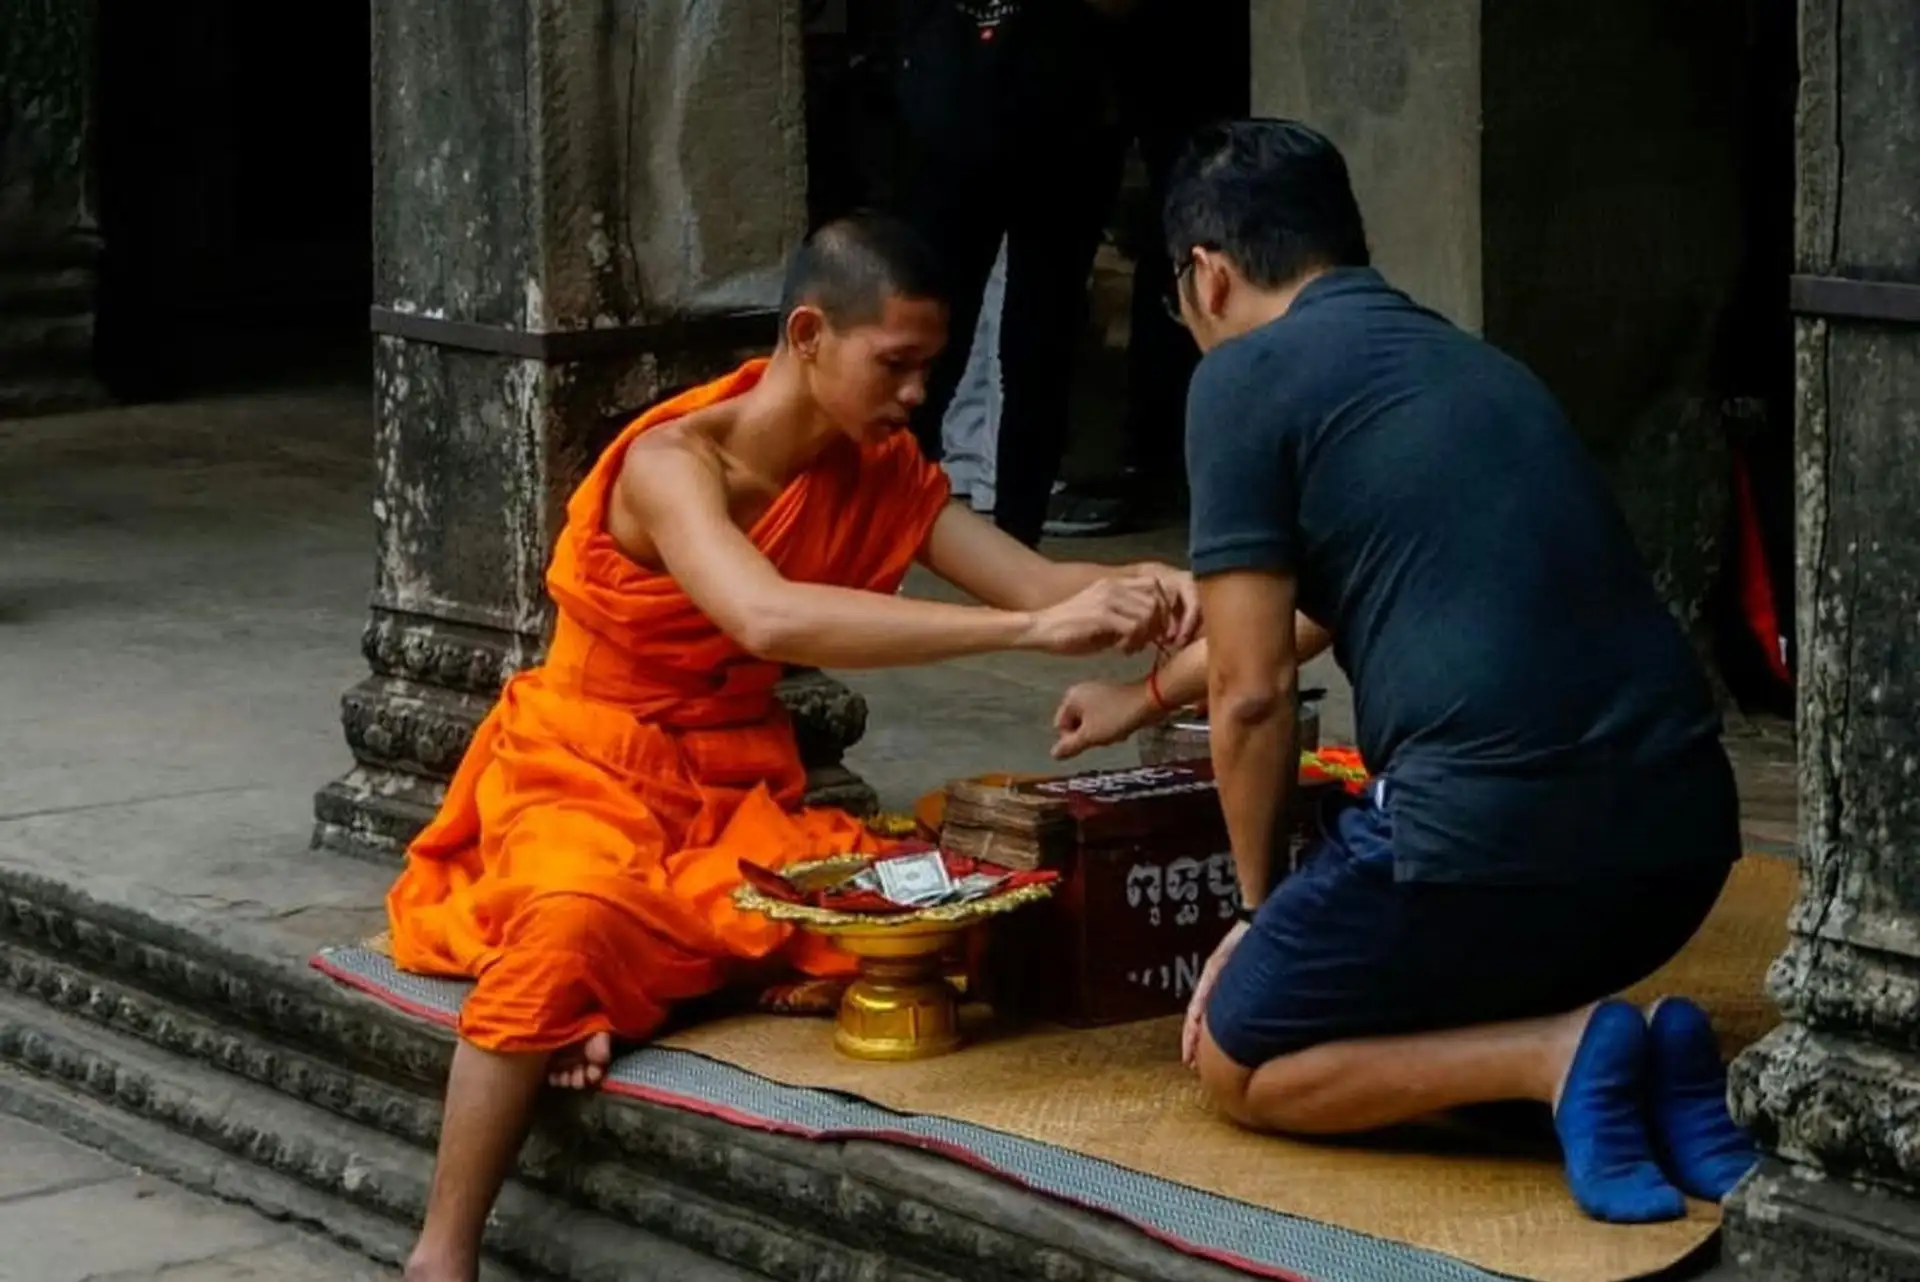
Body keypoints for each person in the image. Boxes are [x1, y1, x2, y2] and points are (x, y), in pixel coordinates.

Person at [393, 213, 1197, 1282]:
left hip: (734, 780)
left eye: (928, 368)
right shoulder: (673, 465)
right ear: (810, 335)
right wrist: (1025, 633)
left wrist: (1173, 583)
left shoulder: (880, 466)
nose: (917, 396)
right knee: (564, 932)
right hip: (585, 765)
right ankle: (441, 1253)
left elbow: (1042, 583)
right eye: (897, 366)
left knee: (927, 909)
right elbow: (765, 617)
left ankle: (617, 998)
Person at [1049, 120, 1759, 1224]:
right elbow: (1314, 622)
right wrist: (1142, 697)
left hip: (1482, 849)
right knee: (1397, 956)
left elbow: (1252, 692)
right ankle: (1656, 1056)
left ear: (1207, 275)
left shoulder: (1241, 380)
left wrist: (1255, 912)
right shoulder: (1468, 361)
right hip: (1673, 858)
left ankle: (1557, 1054)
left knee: (1243, 1053)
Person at [888, 0, 1132, 547]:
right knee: (929, 330)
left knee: (1040, 341)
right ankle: (890, 514)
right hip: (951, 102)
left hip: (1063, 114)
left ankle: (1018, 534)